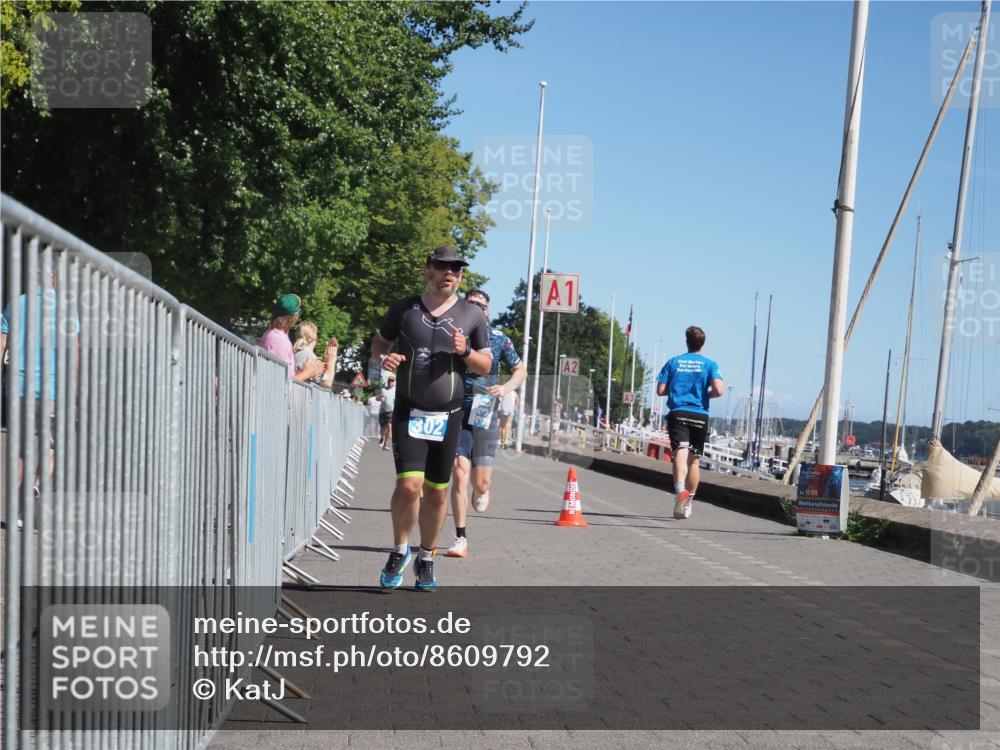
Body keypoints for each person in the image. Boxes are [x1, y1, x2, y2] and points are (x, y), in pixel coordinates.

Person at [371, 246, 491, 591]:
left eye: (455, 268)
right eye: (441, 267)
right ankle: (399, 550)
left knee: (437, 494)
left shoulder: (472, 315)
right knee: (408, 485)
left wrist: (465, 351)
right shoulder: (404, 309)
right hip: (410, 409)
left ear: (462, 276)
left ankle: (426, 556)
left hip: (449, 415)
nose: (449, 273)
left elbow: (486, 365)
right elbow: (379, 343)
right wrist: (385, 359)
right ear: (427, 271)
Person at [444, 290, 526, 559]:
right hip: (456, 405)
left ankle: (482, 489)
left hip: (484, 407)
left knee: (481, 481)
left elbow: (520, 369)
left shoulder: (500, 339)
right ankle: (460, 537)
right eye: (471, 304)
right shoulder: (452, 334)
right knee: (458, 471)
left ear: (487, 311)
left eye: (481, 305)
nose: (476, 308)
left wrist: (507, 388)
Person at [656, 326, 725, 520]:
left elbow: (660, 390)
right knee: (694, 459)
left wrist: (678, 390)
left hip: (678, 412)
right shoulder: (710, 364)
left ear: (686, 341)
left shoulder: (673, 362)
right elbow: (719, 390)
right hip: (699, 414)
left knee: (680, 451)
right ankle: (688, 503)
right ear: (703, 343)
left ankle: (679, 489)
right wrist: (705, 395)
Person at [258, 294, 326, 382]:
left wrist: (303, 371)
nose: (298, 317)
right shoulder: (279, 340)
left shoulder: (271, 334)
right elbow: (283, 383)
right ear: (292, 318)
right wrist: (307, 373)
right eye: (298, 313)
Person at [292, 321, 338, 389]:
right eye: (315, 333)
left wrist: (327, 359)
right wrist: (332, 360)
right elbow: (326, 384)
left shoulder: (298, 352)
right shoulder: (307, 355)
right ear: (312, 337)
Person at [379, 376, 396, 450]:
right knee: (383, 428)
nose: (390, 382)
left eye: (392, 381)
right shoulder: (383, 389)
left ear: (394, 382)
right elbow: (377, 398)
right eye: (389, 380)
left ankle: (385, 444)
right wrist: (380, 398)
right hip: (383, 411)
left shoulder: (396, 390)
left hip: (391, 412)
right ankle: (382, 437)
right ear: (387, 381)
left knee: (389, 426)